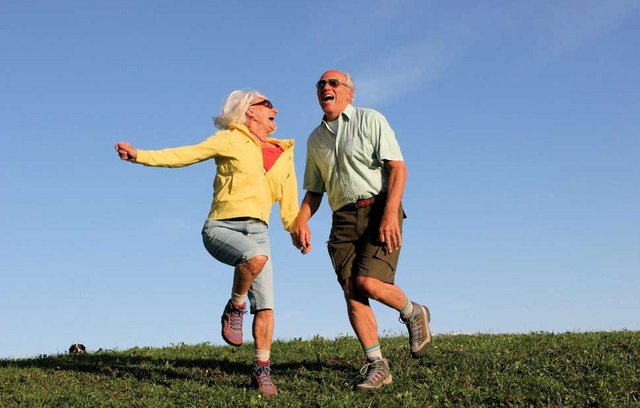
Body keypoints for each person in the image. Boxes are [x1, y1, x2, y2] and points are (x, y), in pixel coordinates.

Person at [115, 90, 298, 397]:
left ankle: (261, 371)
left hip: (260, 230)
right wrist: (140, 155)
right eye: (267, 105)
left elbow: (289, 202)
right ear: (249, 111)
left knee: (266, 306)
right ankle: (235, 305)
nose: (274, 109)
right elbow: (185, 154)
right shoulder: (230, 138)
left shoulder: (283, 154)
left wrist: (296, 228)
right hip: (221, 226)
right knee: (255, 258)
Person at [290, 69, 432, 391]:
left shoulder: (371, 120)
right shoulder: (315, 140)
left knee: (369, 282)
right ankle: (377, 365)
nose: (326, 87)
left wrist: (391, 213)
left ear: (349, 93)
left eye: (333, 83)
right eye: (321, 84)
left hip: (379, 209)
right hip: (341, 219)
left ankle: (413, 312)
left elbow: (398, 167)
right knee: (353, 291)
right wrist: (302, 220)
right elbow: (314, 190)